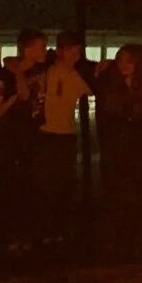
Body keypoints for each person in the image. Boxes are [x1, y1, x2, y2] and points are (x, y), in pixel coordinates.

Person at [94, 44, 142, 259]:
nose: (123, 65)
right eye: (121, 60)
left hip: (135, 147)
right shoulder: (109, 81)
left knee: (132, 192)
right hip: (116, 146)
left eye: (129, 61)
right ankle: (112, 241)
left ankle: (129, 239)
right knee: (115, 192)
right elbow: (116, 110)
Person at [0, 29, 49, 255]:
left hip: (33, 135)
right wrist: (16, 82)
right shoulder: (7, 75)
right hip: (13, 137)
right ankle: (11, 235)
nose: (45, 50)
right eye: (41, 46)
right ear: (28, 49)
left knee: (31, 186)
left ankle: (28, 234)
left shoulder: (40, 69)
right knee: (13, 187)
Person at [36, 31, 92, 251]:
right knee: (47, 185)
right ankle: (46, 230)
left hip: (65, 135)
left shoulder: (75, 75)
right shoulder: (50, 73)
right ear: (60, 51)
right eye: (71, 50)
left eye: (77, 51)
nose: (75, 55)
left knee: (63, 185)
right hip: (48, 134)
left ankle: (58, 230)